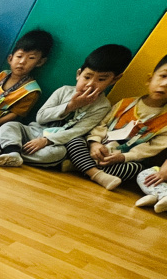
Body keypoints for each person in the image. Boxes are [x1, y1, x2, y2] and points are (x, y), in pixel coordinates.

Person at [0, 44, 132, 168]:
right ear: (79, 74)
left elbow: (77, 132)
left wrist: (46, 141)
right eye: (87, 77)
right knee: (10, 126)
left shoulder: (102, 106)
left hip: (56, 143)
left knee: (56, 155)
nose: (90, 84)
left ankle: (9, 148)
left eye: (101, 79)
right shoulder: (64, 91)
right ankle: (12, 151)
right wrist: (70, 106)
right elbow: (41, 117)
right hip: (34, 132)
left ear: (114, 80)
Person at [64, 54, 167, 190]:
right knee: (75, 141)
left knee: (135, 169)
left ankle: (80, 165)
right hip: (97, 150)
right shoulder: (125, 103)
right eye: (163, 76)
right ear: (149, 79)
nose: (165, 84)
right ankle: (95, 173)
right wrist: (94, 143)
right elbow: (101, 124)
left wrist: (123, 157)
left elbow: (150, 149)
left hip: (120, 159)